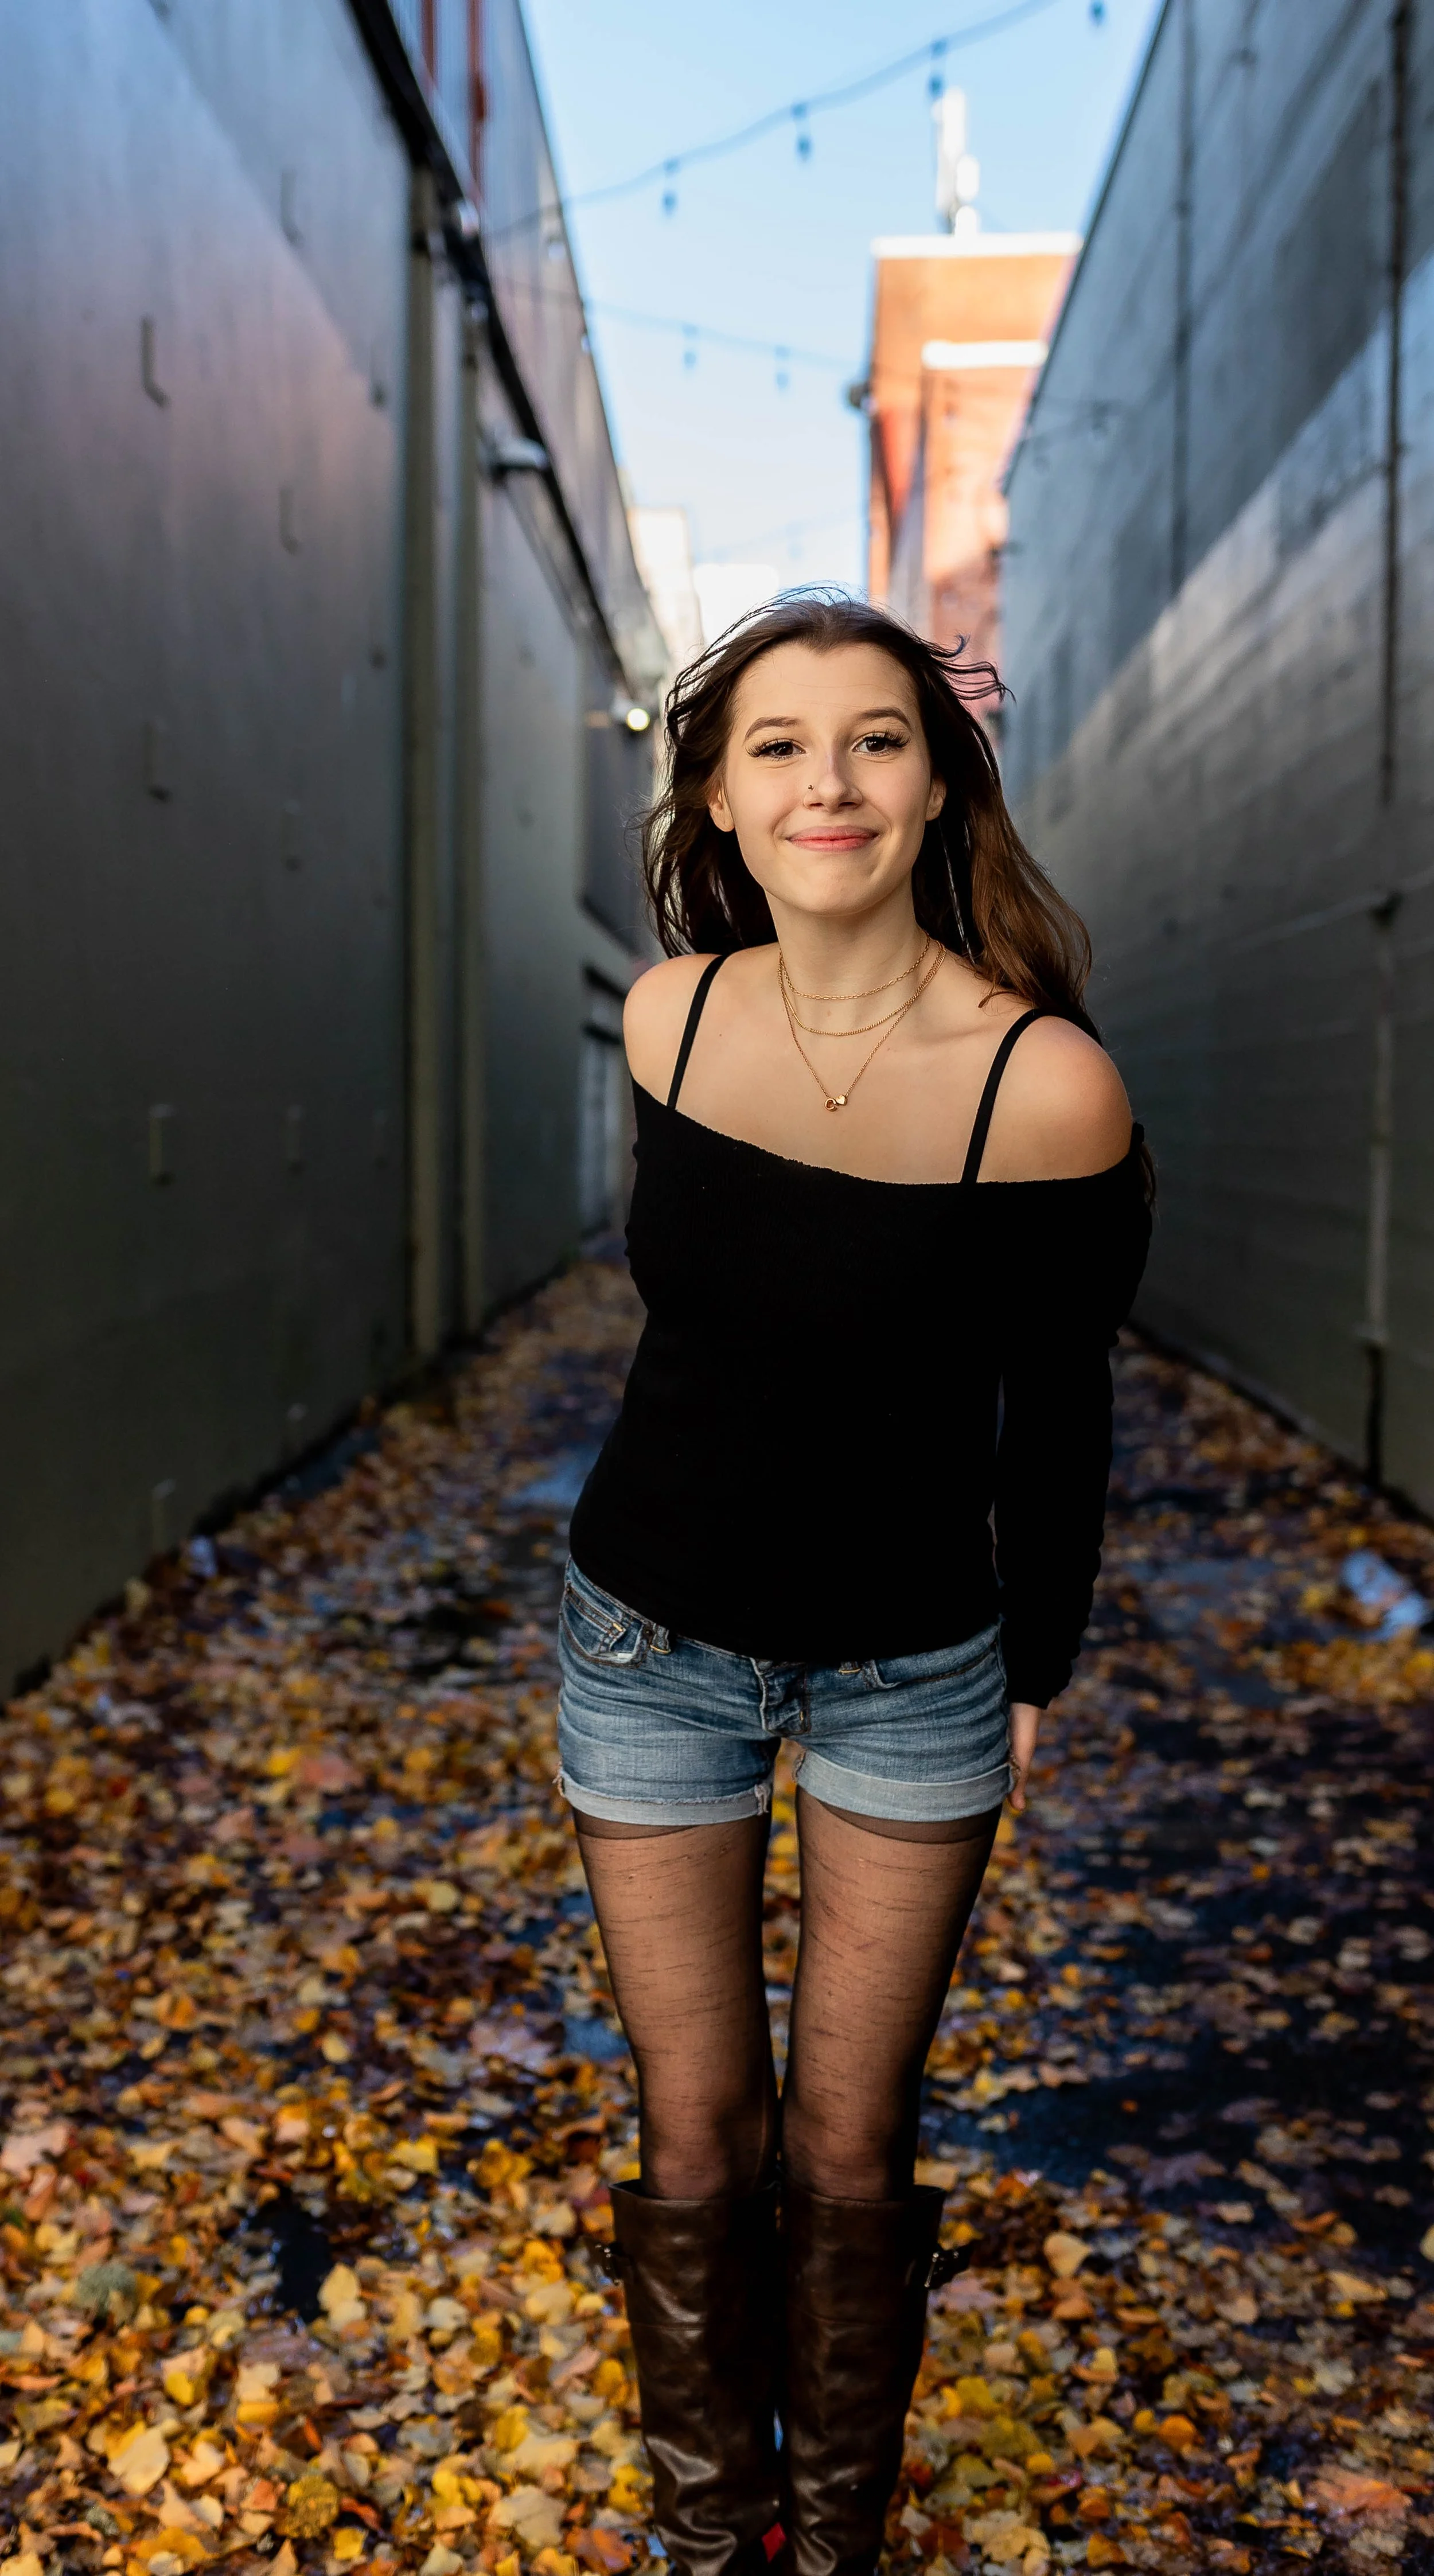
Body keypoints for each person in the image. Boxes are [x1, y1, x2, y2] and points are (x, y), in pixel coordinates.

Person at [558, 592, 1152, 2576]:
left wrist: (1036, 1654)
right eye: (781, 744)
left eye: (876, 737)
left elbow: (1056, 1412)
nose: (831, 780)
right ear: (720, 802)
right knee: (696, 2125)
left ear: (936, 778)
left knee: (844, 2143)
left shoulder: (1045, 1084)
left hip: (911, 1668)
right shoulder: (665, 1019)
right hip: (645, 1643)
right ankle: (718, 2538)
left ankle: (834, 2545)